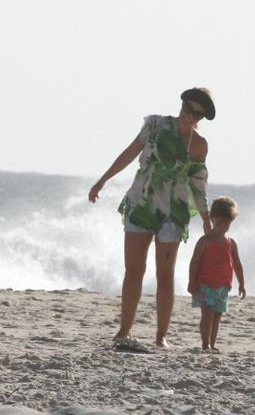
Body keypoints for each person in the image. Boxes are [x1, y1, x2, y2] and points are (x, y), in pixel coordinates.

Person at [89, 88, 215, 352]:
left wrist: (205, 218)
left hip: (173, 212)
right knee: (133, 270)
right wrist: (102, 180)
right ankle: (124, 330)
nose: (190, 117)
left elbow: (198, 183)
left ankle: (161, 336)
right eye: (187, 109)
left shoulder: (199, 144)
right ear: (181, 105)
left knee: (165, 274)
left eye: (196, 114)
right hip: (142, 204)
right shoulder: (155, 125)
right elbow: (129, 153)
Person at [187, 196, 246, 352]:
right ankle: (205, 344)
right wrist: (191, 282)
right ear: (212, 219)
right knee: (207, 313)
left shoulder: (231, 243)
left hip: (223, 285)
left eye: (227, 224)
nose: (223, 227)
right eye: (220, 223)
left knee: (217, 315)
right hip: (204, 284)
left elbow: (237, 264)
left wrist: (241, 283)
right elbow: (194, 262)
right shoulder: (205, 240)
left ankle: (212, 344)